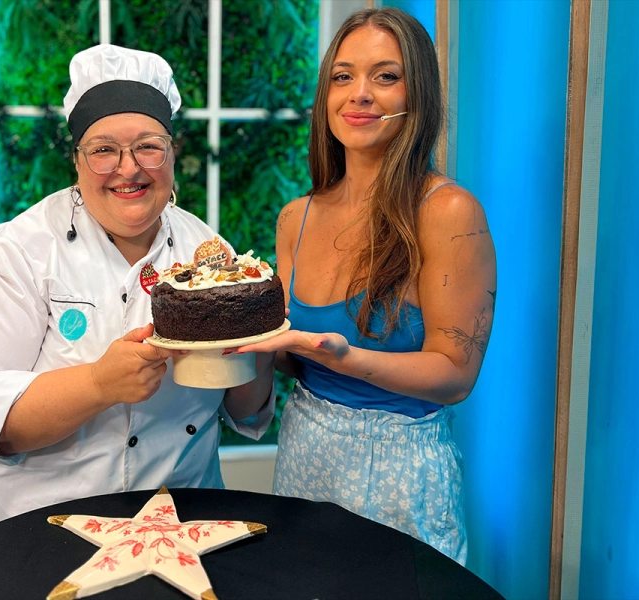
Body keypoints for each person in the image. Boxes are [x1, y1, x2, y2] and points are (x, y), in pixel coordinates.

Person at [0, 44, 276, 547]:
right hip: (24, 528)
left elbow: (245, 412)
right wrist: (97, 383)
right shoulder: (16, 252)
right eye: (104, 149)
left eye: (149, 146)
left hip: (170, 528)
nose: (128, 168)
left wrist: (258, 344)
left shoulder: (209, 257)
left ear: (172, 154)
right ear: (77, 161)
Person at [237, 7, 496, 565]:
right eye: (342, 76)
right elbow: (288, 355)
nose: (359, 94)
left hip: (401, 470)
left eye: (385, 76)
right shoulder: (295, 217)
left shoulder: (448, 211)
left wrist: (342, 356)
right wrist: (244, 344)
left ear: (417, 93)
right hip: (304, 454)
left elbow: (455, 374)